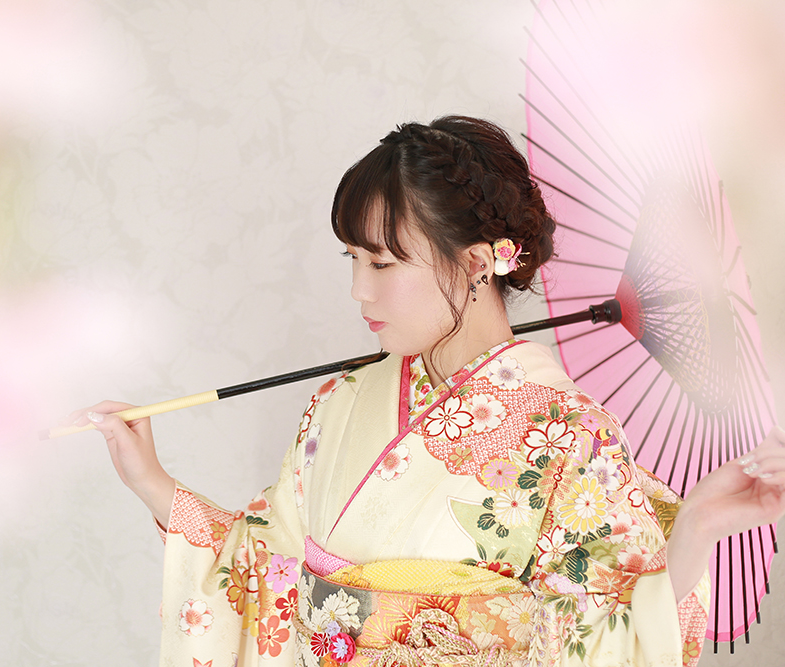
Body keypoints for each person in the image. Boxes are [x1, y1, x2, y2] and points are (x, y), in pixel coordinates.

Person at [72, 116, 785, 666]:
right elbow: (266, 571)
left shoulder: (569, 436)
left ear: (476, 263)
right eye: (352, 259)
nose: (359, 290)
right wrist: (153, 482)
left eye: (383, 264)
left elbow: (611, 634)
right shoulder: (341, 403)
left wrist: (695, 527)